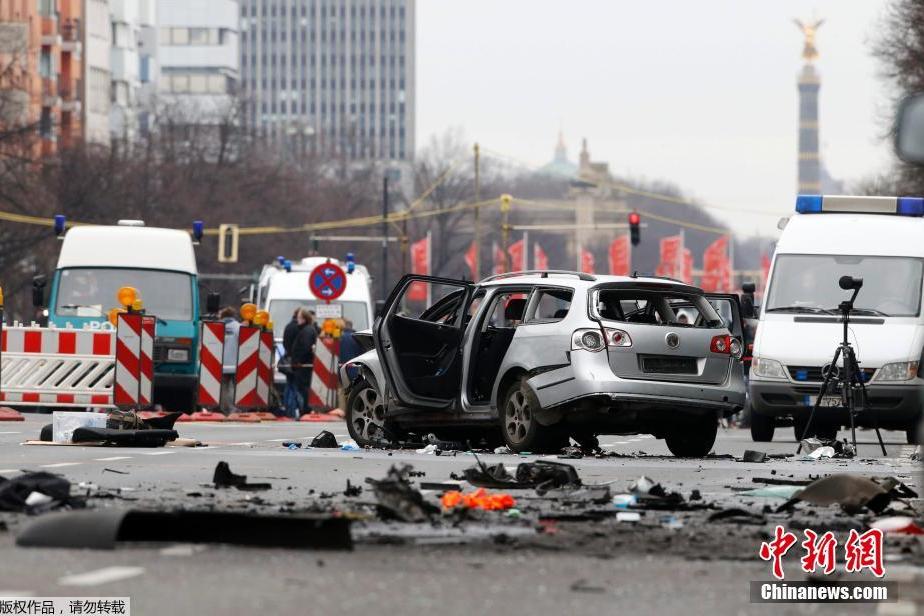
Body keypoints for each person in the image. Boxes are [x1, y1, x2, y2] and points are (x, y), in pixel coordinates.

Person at [290, 308, 317, 415]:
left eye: (299, 318)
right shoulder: (307, 329)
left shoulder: (307, 331)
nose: (298, 320)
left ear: (304, 319)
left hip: (303, 365)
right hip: (303, 364)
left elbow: (305, 347)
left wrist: (299, 360)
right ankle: (305, 408)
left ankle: (305, 409)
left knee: (303, 387)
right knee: (303, 387)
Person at [218, 307, 240, 414]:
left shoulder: (217, 327)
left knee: (223, 387)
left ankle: (224, 408)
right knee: (234, 386)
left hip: (220, 362)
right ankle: (233, 408)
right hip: (235, 362)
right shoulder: (238, 327)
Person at [281, 308, 301, 417]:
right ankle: (292, 411)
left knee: (288, 385)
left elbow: (285, 343)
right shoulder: (297, 328)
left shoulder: (288, 326)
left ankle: (287, 409)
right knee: (294, 386)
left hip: (287, 358)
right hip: (295, 360)